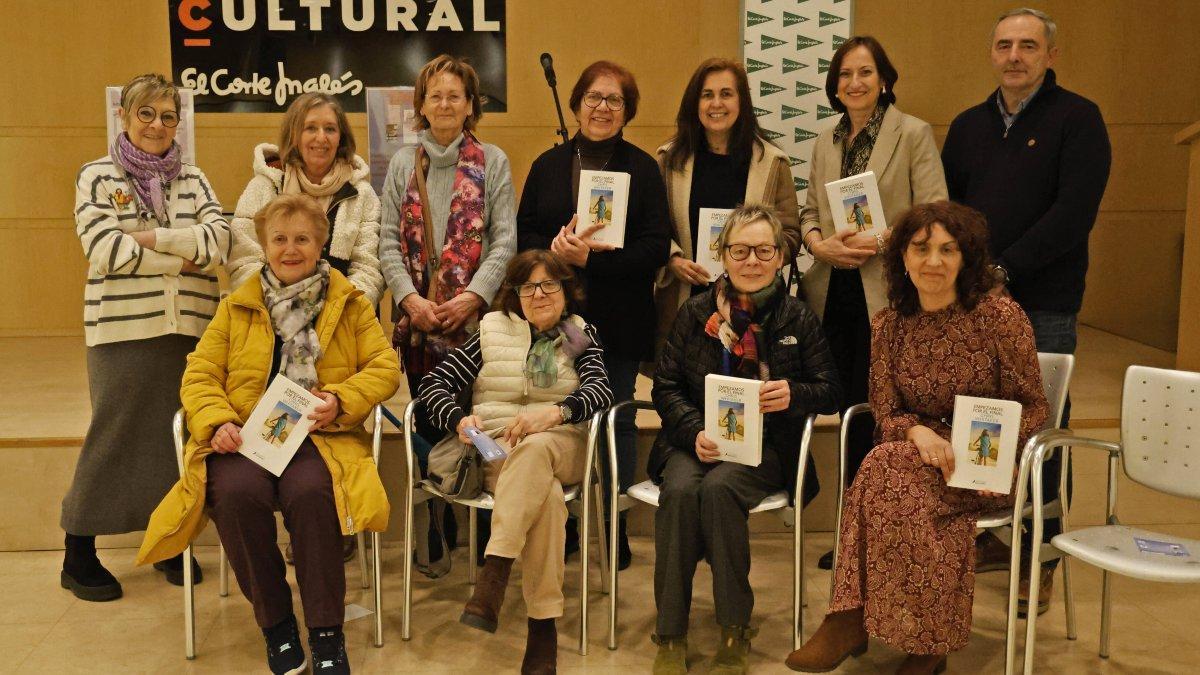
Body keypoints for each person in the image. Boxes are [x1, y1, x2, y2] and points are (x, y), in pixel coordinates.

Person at [138, 195, 398, 675]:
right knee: (235, 495)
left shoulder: (351, 303)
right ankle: (277, 624)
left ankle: (325, 633)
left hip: (321, 436)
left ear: (320, 246)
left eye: (302, 238)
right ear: (264, 246)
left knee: (313, 493)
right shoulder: (237, 306)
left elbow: (384, 367)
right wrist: (217, 421)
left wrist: (340, 399)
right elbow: (199, 373)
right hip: (245, 437)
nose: (290, 248)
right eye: (279, 239)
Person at [785, 201, 1049, 675]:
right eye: (921, 248)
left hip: (985, 461)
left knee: (883, 473)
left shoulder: (999, 318)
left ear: (966, 258)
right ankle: (923, 639)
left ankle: (857, 619)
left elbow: (1034, 405)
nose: (933, 261)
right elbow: (885, 409)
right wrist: (919, 431)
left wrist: (994, 455)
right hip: (916, 451)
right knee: (889, 468)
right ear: (901, 257)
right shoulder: (889, 324)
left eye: (948, 250)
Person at [941, 7, 1111, 616]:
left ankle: (1039, 556)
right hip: (975, 305)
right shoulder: (966, 126)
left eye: (1028, 46)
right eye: (1005, 45)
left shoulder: (1078, 120)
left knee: (1042, 427)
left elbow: (1074, 213)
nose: (1015, 56)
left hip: (1046, 304)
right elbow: (952, 216)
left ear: (1050, 55)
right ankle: (994, 531)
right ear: (992, 53)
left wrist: (1002, 272)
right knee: (983, 421)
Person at [650, 206, 841, 675]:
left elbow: (831, 388)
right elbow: (666, 386)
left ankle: (735, 626)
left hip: (768, 450)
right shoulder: (694, 312)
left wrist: (793, 393)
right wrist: (693, 431)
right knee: (679, 491)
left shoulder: (798, 317)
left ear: (779, 257)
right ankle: (671, 631)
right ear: (723, 255)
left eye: (763, 250)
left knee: (717, 491)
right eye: (740, 250)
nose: (751, 261)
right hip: (695, 442)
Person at [62, 73, 230, 601]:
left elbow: (220, 242)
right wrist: (182, 255)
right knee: (113, 434)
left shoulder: (195, 178)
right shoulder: (96, 175)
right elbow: (105, 251)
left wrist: (152, 238)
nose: (157, 125)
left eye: (167, 115)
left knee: (176, 440)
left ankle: (169, 544)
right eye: (146, 114)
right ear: (124, 116)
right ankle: (77, 550)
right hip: (122, 330)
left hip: (192, 330)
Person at [418, 249, 614, 674]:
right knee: (544, 497)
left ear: (565, 290)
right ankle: (542, 631)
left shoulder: (577, 333)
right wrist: (458, 420)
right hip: (497, 450)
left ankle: (496, 572)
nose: (539, 294)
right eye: (528, 286)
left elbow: (601, 391)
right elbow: (434, 386)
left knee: (538, 447)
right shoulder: (490, 331)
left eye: (549, 285)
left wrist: (556, 412)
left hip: (562, 444)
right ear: (515, 293)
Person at [796, 36, 948, 570]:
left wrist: (880, 241)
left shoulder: (913, 134)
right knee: (841, 411)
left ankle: (875, 537)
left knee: (878, 414)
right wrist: (819, 244)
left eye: (864, 73)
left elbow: (934, 213)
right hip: (830, 291)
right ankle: (846, 533)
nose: (854, 83)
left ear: (884, 79)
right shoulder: (823, 139)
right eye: (844, 75)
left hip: (886, 295)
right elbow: (811, 210)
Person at [517, 60, 670, 568]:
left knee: (616, 417)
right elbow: (526, 236)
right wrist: (554, 251)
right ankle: (563, 523)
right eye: (594, 97)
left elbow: (655, 247)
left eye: (615, 100)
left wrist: (595, 260)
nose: (602, 107)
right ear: (578, 103)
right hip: (558, 321)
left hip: (620, 316)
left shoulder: (643, 167)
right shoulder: (547, 165)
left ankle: (614, 523)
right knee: (564, 414)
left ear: (627, 111)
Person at [379, 54, 517, 566]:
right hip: (419, 328)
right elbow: (387, 242)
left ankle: (484, 527)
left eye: (454, 95)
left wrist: (472, 298)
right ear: (421, 104)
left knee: (479, 425)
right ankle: (436, 524)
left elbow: (505, 241)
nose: (444, 103)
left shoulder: (493, 162)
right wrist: (410, 300)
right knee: (429, 424)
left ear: (470, 105)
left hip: (476, 327)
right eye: (435, 95)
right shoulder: (400, 164)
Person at [655, 58, 802, 371]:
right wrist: (673, 259)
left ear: (742, 102)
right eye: (707, 95)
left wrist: (757, 260)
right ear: (694, 103)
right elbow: (653, 228)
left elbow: (790, 234)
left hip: (752, 309)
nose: (716, 103)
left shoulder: (772, 163)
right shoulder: (669, 160)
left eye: (726, 94)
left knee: (746, 399)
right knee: (682, 394)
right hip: (684, 301)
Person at [228, 92, 384, 304]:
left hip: (343, 321)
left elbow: (369, 268)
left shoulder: (362, 194)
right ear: (294, 135)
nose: (321, 137)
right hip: (273, 321)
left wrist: (338, 312)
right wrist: (283, 309)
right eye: (310, 128)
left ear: (341, 138)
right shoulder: (263, 187)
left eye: (330, 129)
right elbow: (244, 261)